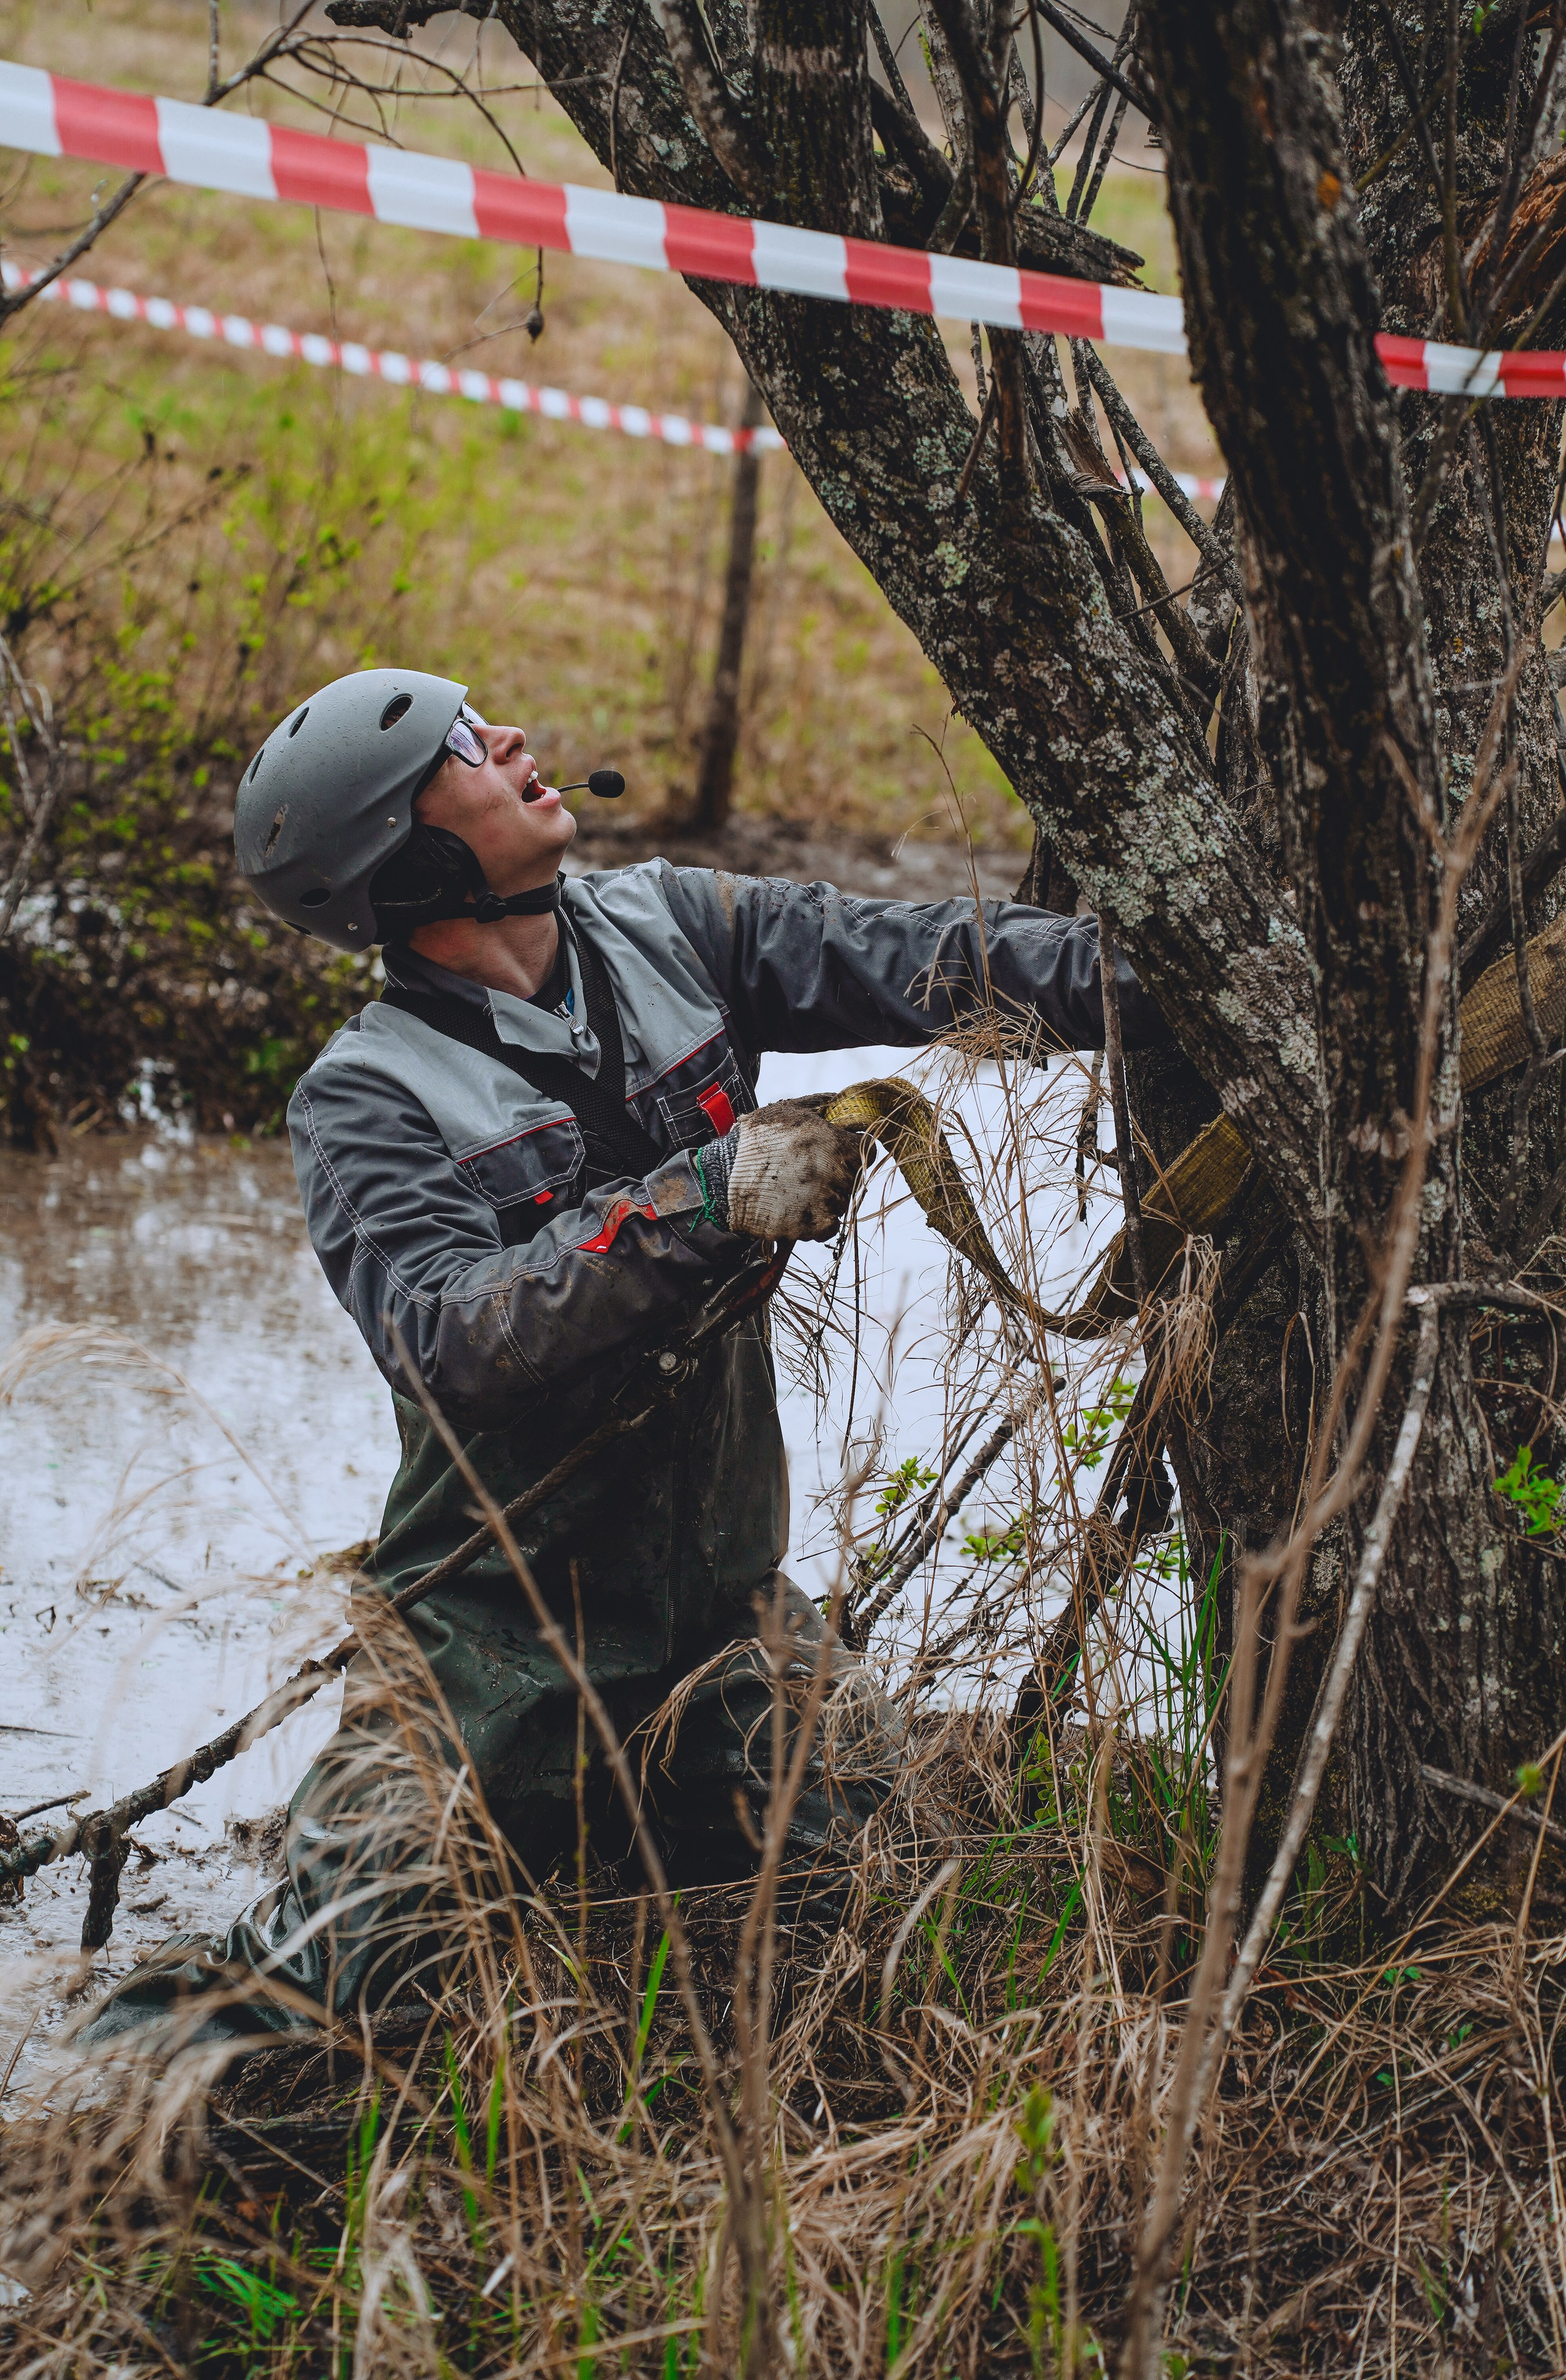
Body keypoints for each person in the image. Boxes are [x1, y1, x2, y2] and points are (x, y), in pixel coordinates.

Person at [81, 668, 1163, 2048]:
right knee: (340, 1992)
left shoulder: (677, 921)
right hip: (491, 1660)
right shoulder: (364, 1099)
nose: (517, 739)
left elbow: (941, 961)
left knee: (892, 1892)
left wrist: (1179, 981)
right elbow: (447, 1337)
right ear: (407, 865)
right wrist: (702, 1200)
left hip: (723, 1638)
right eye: (465, 751)